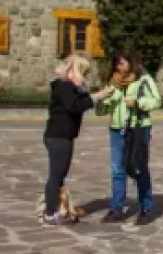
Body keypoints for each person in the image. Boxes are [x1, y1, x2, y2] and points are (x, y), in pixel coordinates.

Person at [43, 53, 112, 226]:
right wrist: (98, 97)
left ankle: (56, 208)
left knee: (59, 175)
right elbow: (75, 106)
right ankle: (50, 213)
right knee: (56, 175)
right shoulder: (64, 85)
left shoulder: (70, 86)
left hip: (63, 135)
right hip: (59, 136)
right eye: (85, 72)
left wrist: (94, 95)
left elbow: (80, 99)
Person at [95, 52, 162, 225]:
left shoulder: (143, 78)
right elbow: (101, 111)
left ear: (131, 63)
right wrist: (103, 100)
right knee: (117, 170)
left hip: (138, 128)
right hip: (117, 130)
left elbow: (156, 100)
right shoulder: (112, 82)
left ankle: (145, 208)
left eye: (122, 63)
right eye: (116, 63)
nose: (119, 67)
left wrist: (138, 103)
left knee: (139, 168)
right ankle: (116, 209)